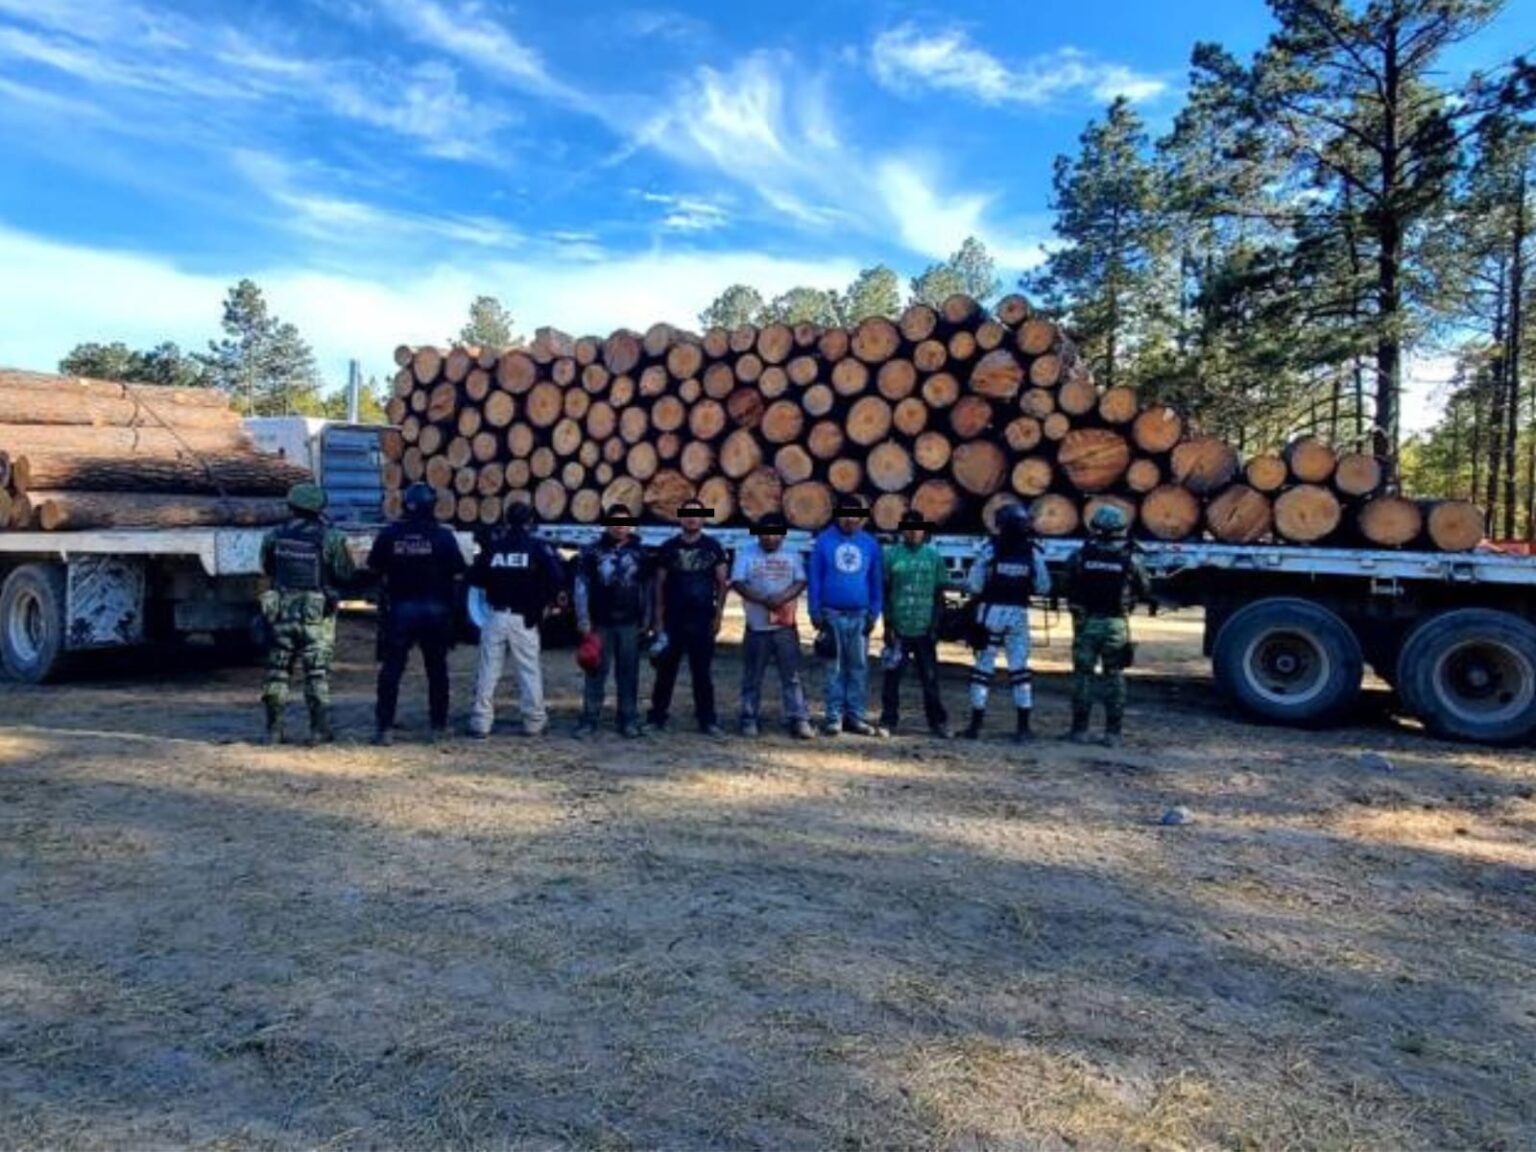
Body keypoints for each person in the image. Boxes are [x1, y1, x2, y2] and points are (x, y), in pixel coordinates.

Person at [367, 482, 466, 745]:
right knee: (436, 671)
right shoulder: (443, 536)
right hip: (435, 611)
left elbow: (373, 567)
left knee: (391, 671)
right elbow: (458, 569)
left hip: (399, 611)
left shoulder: (390, 534)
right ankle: (438, 727)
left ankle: (385, 728)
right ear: (432, 505)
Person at [258, 482, 356, 745]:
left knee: (278, 672)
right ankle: (318, 730)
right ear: (319, 508)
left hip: (281, 611)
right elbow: (345, 573)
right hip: (317, 615)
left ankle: (273, 731)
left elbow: (267, 568)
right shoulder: (332, 537)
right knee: (316, 674)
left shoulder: (274, 535)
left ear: (292, 506)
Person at [466, 500, 564, 738]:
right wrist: (542, 601)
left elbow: (475, 577)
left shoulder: (494, 547)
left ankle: (481, 722)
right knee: (529, 670)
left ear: (507, 521)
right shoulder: (537, 547)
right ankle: (534, 722)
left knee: (488, 670)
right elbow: (557, 577)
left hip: (496, 615)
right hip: (524, 618)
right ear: (530, 522)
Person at [963, 502, 1052, 743]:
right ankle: (1023, 728)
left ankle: (975, 726)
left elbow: (974, 585)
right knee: (1020, 670)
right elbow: (1044, 586)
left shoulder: (989, 549)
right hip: (1018, 615)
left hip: (990, 612)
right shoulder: (1032, 551)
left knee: (983, 668)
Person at [1064, 504, 1150, 747]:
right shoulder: (1131, 558)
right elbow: (1145, 588)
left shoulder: (1080, 556)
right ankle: (1113, 734)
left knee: (1083, 676)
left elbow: (1066, 585)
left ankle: (1079, 730)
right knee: (1114, 676)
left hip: (1085, 623)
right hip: (1116, 624)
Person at [647, 498, 729, 736]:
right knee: (665, 672)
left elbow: (723, 584)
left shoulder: (713, 547)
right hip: (673, 620)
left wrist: (718, 617)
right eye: (687, 514)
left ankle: (707, 720)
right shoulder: (668, 547)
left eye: (697, 515)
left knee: (702, 674)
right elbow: (659, 585)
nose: (692, 519)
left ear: (703, 518)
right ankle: (657, 718)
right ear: (680, 518)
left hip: (702, 619)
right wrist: (658, 620)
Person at [731, 513, 815, 739]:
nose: (769, 538)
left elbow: (800, 581)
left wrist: (783, 597)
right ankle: (749, 718)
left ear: (783, 535)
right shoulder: (746, 553)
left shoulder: (792, 555)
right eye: (765, 533)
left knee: (792, 676)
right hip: (756, 626)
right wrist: (761, 599)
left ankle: (798, 718)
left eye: (775, 533)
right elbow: (737, 582)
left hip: (784, 626)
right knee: (752, 675)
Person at [808, 498, 885, 737]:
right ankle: (833, 717)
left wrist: (875, 611)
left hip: (860, 615)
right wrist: (814, 610)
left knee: (859, 667)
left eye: (855, 516)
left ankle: (856, 716)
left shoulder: (869, 543)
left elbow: (876, 580)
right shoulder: (824, 541)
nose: (850, 520)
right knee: (834, 668)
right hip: (831, 614)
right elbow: (815, 578)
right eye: (845, 515)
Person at [574, 506, 650, 738]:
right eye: (615, 522)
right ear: (607, 524)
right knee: (595, 671)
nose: (619, 526)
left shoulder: (640, 553)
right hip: (600, 623)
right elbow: (581, 586)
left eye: (624, 522)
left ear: (630, 525)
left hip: (629, 623)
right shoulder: (591, 552)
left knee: (629, 672)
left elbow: (648, 589)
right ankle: (589, 719)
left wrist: (646, 619)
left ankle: (628, 719)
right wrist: (583, 617)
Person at [879, 511, 952, 738]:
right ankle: (888, 720)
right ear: (902, 531)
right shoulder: (891, 556)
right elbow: (885, 591)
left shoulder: (933, 557)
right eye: (908, 528)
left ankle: (937, 722)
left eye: (917, 528)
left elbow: (940, 594)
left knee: (929, 678)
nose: (913, 533)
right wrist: (888, 625)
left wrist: (935, 625)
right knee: (892, 678)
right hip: (899, 628)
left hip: (924, 627)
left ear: (924, 531)